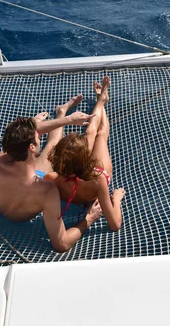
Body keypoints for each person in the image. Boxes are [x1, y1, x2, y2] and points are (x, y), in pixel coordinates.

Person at [0, 95, 102, 253]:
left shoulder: (2, 162)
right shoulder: (47, 190)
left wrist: (65, 120)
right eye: (37, 135)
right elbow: (61, 243)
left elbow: (15, 141)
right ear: (32, 147)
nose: (39, 133)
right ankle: (60, 113)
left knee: (43, 144)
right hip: (23, 207)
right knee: (52, 145)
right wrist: (88, 220)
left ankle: (61, 112)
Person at [45, 76, 126, 231]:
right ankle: (102, 101)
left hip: (78, 171)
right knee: (100, 134)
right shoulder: (99, 180)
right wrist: (117, 199)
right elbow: (115, 225)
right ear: (86, 157)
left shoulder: (52, 178)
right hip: (96, 172)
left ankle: (101, 100)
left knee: (90, 131)